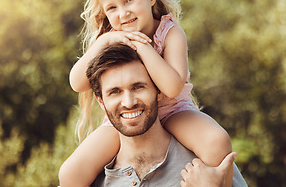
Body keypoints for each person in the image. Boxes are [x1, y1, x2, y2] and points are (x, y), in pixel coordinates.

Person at [59, 0, 234, 187]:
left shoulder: (170, 32)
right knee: (70, 173)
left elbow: (172, 87)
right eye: (112, 7)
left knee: (217, 141)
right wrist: (101, 43)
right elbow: (76, 82)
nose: (123, 13)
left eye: (129, 0)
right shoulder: (109, 38)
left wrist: (142, 46)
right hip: (123, 119)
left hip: (174, 111)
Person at [85, 43, 247, 186]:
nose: (128, 102)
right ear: (101, 101)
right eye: (115, 92)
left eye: (138, 87)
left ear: (159, 91)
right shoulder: (94, 180)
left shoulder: (206, 166)